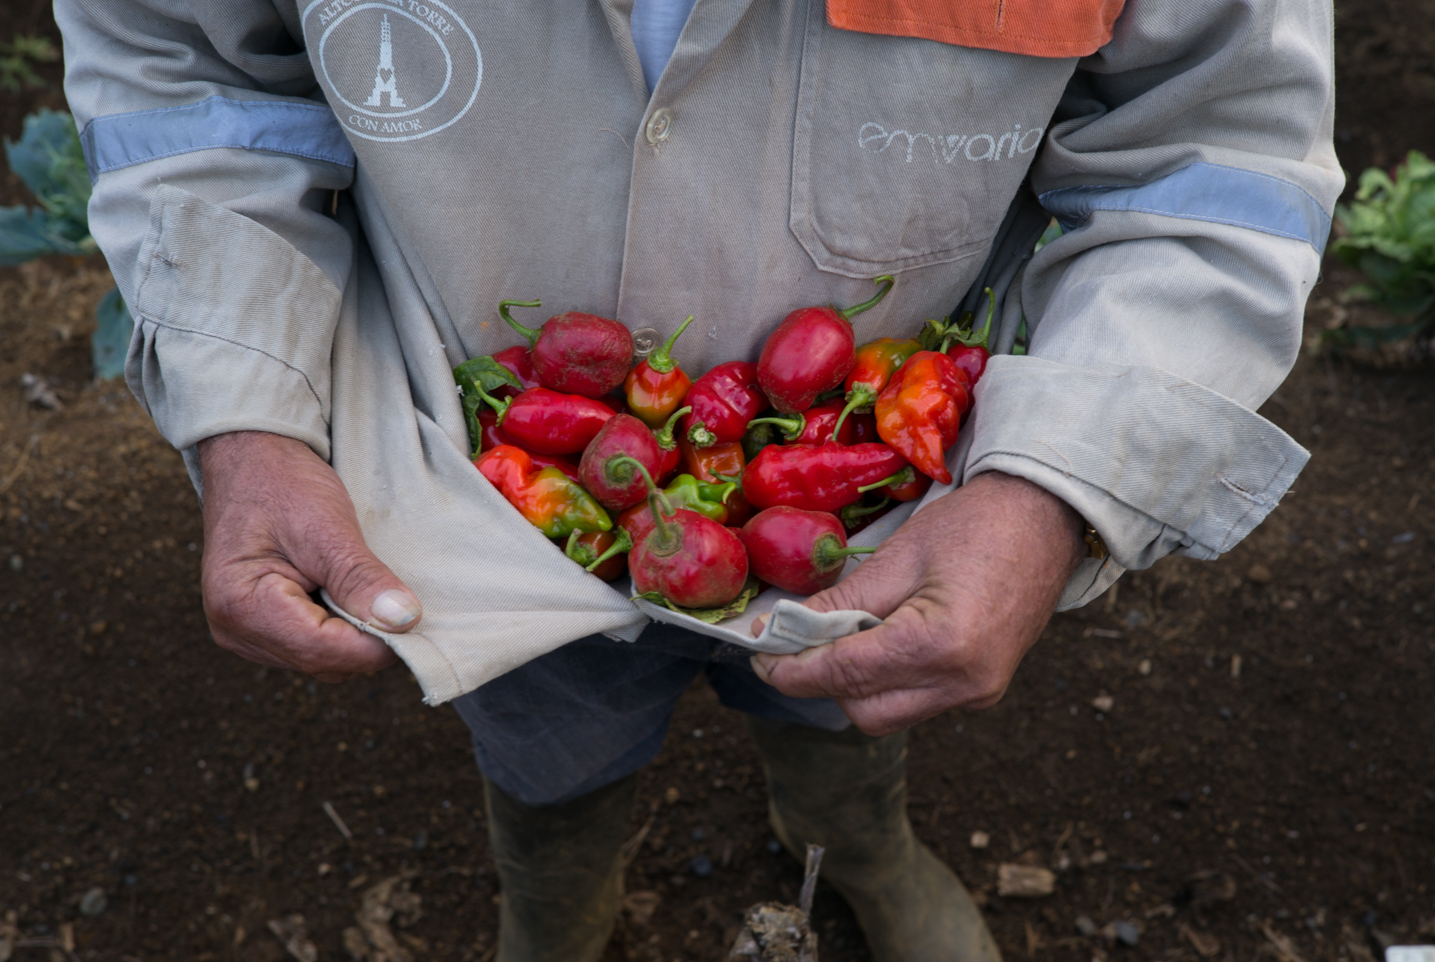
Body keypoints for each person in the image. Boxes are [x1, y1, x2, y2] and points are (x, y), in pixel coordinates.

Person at [58, 0, 1341, 957]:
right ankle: (554, 893)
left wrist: (1051, 485)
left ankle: (854, 839)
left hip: (888, 497)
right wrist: (250, 412)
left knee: (843, 686)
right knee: (542, 716)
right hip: (477, 495)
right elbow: (186, 67)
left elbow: (1220, 144)